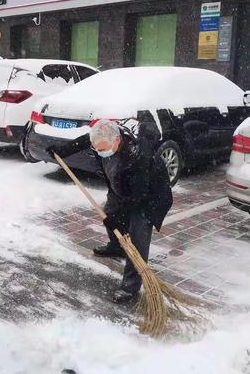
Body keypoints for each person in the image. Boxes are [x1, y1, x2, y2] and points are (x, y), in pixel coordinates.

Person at [47, 119, 173, 306]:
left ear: (117, 141)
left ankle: (130, 286)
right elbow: (88, 140)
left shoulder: (137, 158)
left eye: (103, 149)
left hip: (150, 196)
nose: (99, 152)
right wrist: (62, 150)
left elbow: (136, 198)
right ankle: (116, 246)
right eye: (97, 149)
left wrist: (118, 221)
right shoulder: (105, 137)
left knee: (137, 233)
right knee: (111, 212)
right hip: (122, 186)